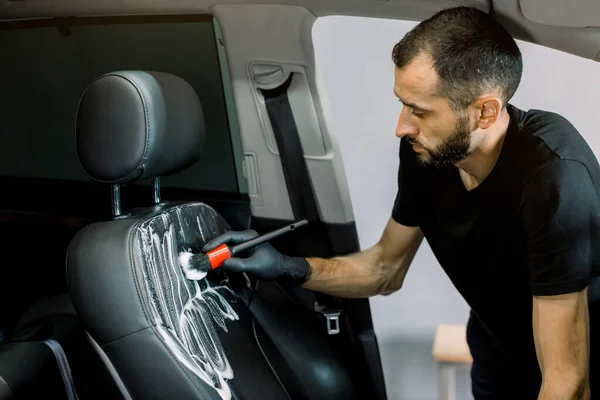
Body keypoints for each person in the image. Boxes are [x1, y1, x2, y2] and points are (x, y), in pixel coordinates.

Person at [203, 6, 599, 399]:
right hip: (499, 356)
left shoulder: (554, 176)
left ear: (485, 111)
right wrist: (286, 267)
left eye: (420, 111)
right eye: (402, 103)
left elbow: (567, 381)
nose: (401, 127)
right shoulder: (425, 154)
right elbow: (385, 268)